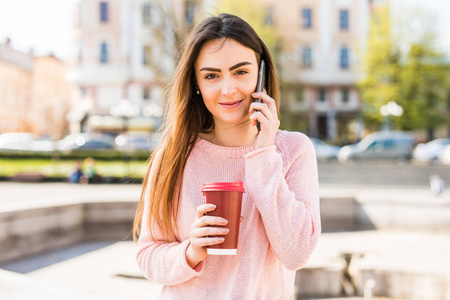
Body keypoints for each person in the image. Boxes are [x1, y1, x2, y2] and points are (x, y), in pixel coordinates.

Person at [133, 13, 321, 299]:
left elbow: (296, 253)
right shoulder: (172, 158)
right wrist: (191, 250)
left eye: (241, 72)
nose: (228, 89)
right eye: (211, 76)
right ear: (196, 83)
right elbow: (148, 256)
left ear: (261, 75)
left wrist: (264, 153)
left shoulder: (294, 151)